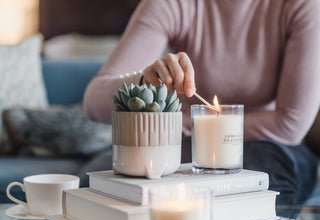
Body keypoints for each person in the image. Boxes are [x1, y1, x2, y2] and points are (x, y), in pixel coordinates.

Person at [83, 0, 320, 205]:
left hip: (271, 144)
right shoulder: (174, 5)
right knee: (98, 188)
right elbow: (93, 101)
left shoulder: (300, 6)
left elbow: (291, 125)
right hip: (186, 143)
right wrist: (144, 81)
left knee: (264, 182)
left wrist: (187, 121)